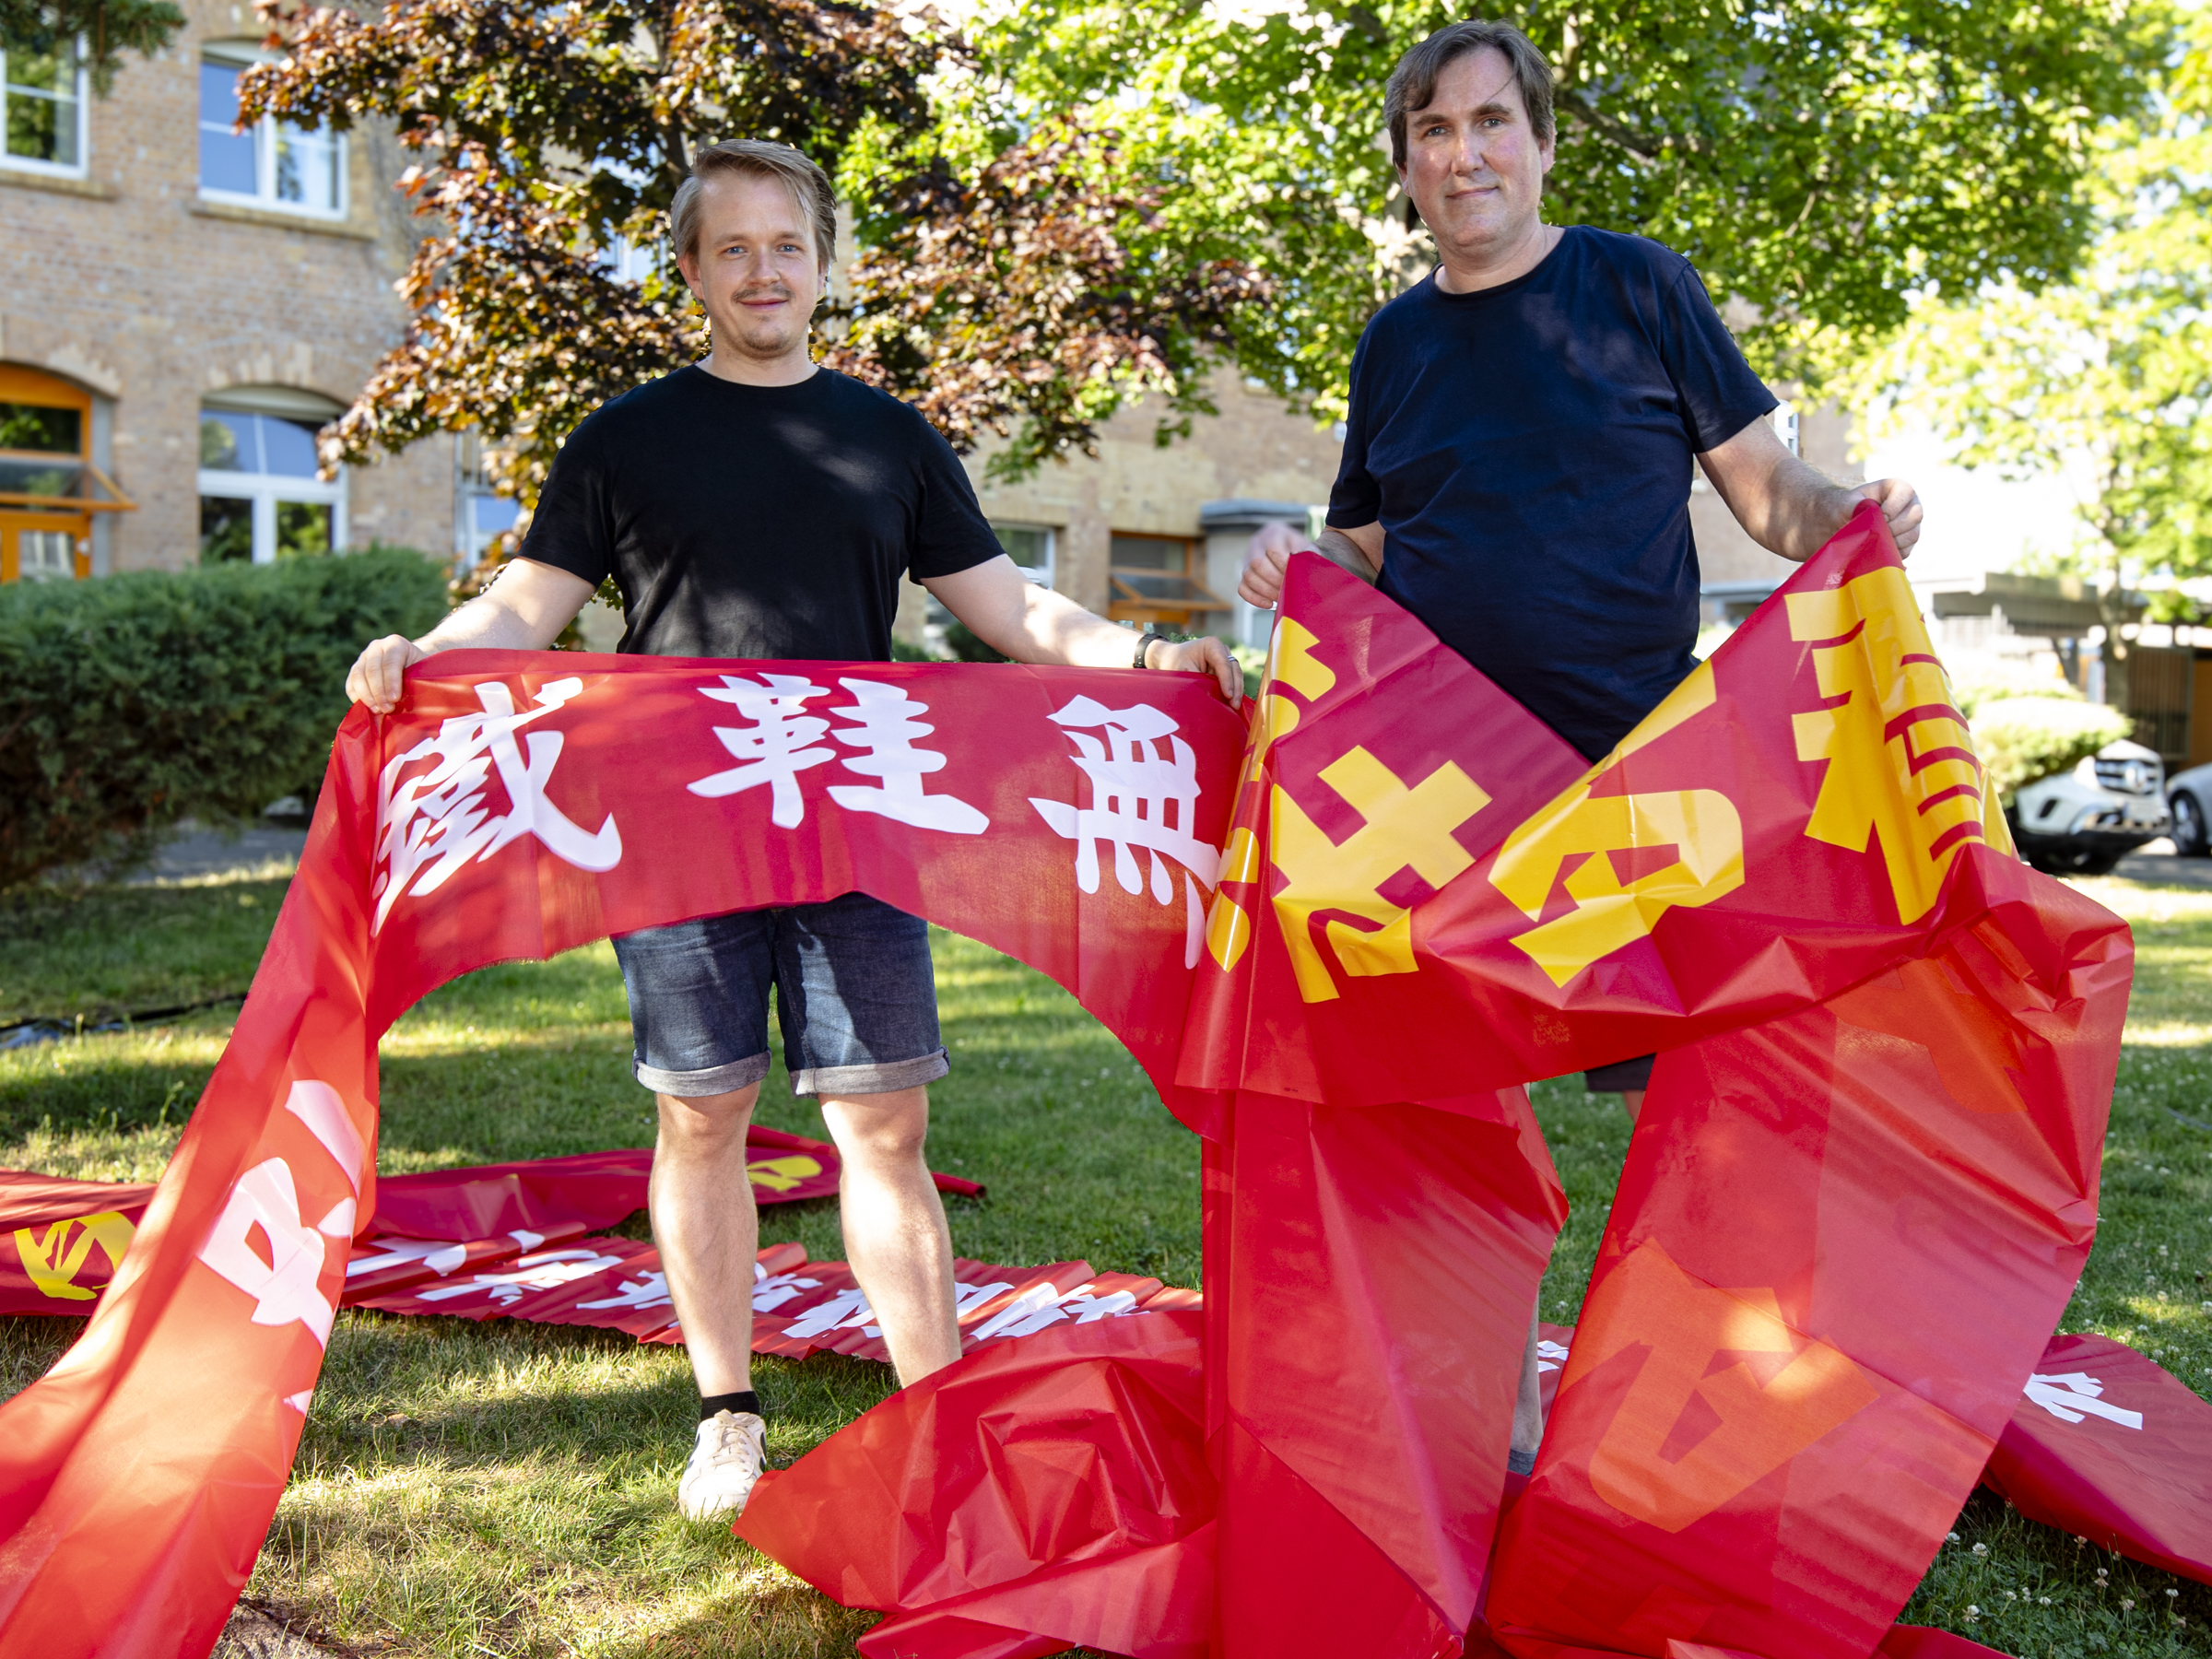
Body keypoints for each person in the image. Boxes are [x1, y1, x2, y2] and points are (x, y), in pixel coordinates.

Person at [346, 138, 1238, 1522]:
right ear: (692, 269)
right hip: (680, 833)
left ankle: (938, 1418)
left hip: (852, 823)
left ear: (822, 266)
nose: (763, 272)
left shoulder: (888, 437)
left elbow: (1010, 611)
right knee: (703, 1114)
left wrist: (1143, 656)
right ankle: (727, 1412)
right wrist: (427, 654)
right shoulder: (625, 438)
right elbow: (526, 606)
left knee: (883, 1119)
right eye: (734, 249)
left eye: (787, 247)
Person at [1236, 20, 1922, 1474]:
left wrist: (1852, 521)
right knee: (1450, 1119)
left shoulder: (1636, 285)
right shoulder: (1395, 342)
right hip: (1436, 798)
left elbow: (1766, 490)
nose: (1464, 154)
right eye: (1433, 130)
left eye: (1491, 121)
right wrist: (1302, 569)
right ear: (1408, 165)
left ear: (1542, 142)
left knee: (1703, 1115)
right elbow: (1367, 548)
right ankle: (1499, 1426)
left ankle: (1721, 1418)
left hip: (1638, 787)